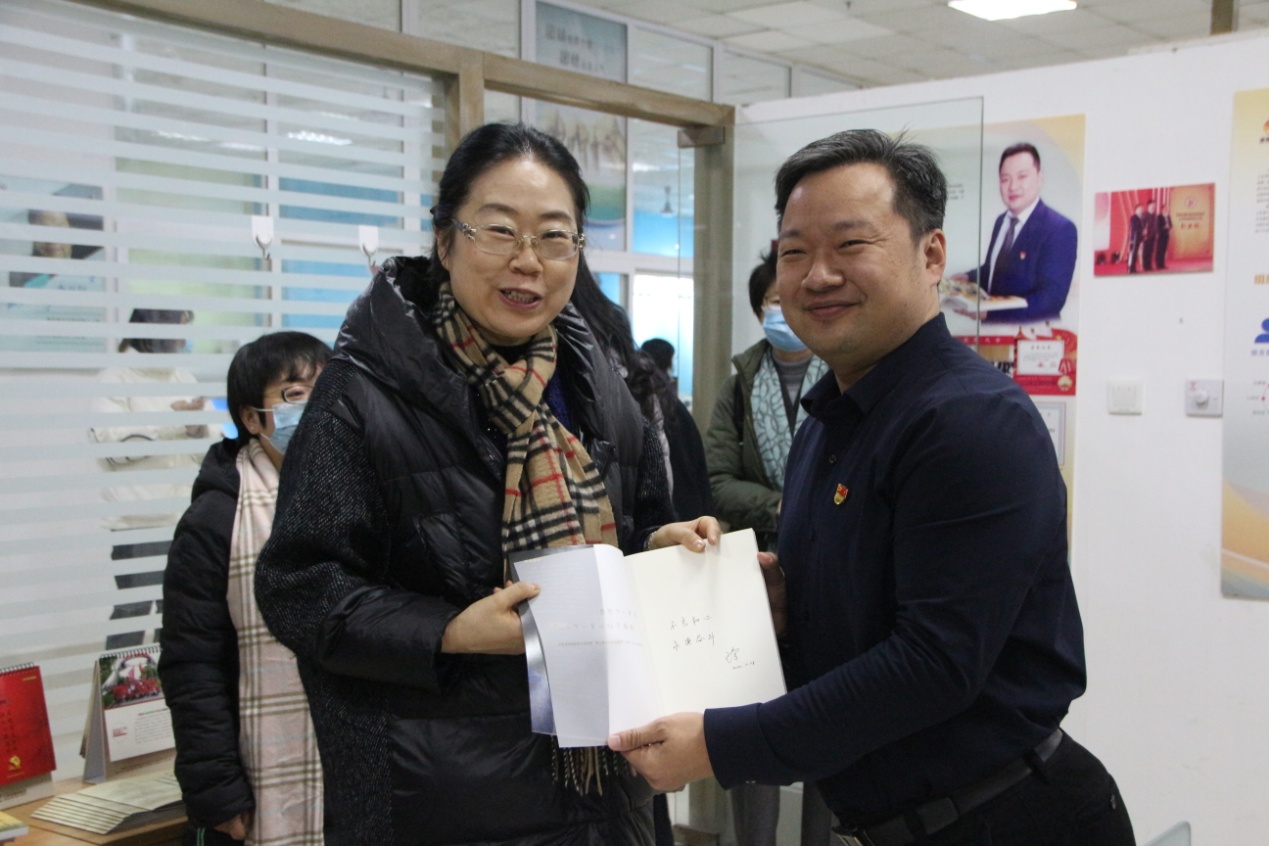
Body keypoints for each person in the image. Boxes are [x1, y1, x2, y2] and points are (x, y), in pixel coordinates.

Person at [609, 129, 1136, 846]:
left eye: (850, 244)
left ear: (932, 255)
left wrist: (719, 745)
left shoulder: (968, 420)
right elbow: (865, 622)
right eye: (794, 252)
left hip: (1008, 819)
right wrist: (768, 608)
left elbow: (932, 664)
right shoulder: (829, 424)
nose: (816, 275)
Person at [254, 122, 718, 846]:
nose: (527, 262)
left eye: (554, 237)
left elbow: (630, 532)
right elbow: (299, 588)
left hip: (606, 782)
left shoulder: (600, 385)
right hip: (437, 800)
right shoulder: (361, 395)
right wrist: (448, 632)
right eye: (499, 230)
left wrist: (659, 548)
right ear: (445, 241)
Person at [160, 331, 331, 846]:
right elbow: (193, 664)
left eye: (327, 390)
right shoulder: (215, 519)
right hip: (259, 780)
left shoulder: (361, 495)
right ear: (252, 419)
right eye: (295, 394)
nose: (315, 407)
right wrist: (216, 792)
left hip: (356, 762)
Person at [569, 259, 713, 846]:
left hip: (623, 641)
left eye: (552, 236)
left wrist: (656, 539)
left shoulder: (619, 390)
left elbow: (654, 510)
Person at [704, 251, 831, 846]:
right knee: (754, 713)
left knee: (830, 715)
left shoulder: (842, 374)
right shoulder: (740, 385)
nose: (783, 311)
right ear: (760, 310)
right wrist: (779, 505)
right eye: (772, 302)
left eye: (789, 298)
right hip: (754, 568)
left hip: (825, 564)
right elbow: (717, 480)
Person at [90, 308, 207, 649]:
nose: (184, 340)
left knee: (177, 612)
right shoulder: (116, 379)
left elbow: (207, 448)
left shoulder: (184, 378)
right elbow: (113, 449)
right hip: (139, 522)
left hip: (182, 518)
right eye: (179, 330)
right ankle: (119, 683)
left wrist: (197, 429)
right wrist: (172, 424)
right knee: (134, 610)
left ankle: (166, 682)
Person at [954, 142, 1077, 323]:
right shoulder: (1001, 221)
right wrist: (968, 278)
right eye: (1005, 179)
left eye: (1022, 176)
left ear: (1040, 178)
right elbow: (998, 271)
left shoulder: (1059, 228)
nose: (1012, 186)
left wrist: (991, 313)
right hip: (992, 333)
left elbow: (1051, 300)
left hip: (1031, 334)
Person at [1126, 203, 1146, 273]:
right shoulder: (1133, 217)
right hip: (1134, 238)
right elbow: (1134, 227)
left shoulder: (1141, 217)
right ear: (1136, 210)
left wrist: (1143, 232)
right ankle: (1130, 268)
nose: (1141, 210)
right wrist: (1142, 230)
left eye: (1142, 209)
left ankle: (1133, 268)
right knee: (1132, 253)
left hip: (1138, 238)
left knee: (1135, 254)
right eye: (1139, 209)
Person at [1140, 200, 1159, 272]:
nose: (1153, 207)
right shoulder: (1144, 215)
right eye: (1152, 205)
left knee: (1151, 251)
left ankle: (1149, 265)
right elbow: (1142, 225)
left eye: (1154, 205)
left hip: (1153, 235)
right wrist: (1143, 234)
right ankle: (1145, 266)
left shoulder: (1155, 215)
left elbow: (1156, 225)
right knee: (1146, 251)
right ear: (1148, 206)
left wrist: (1156, 233)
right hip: (1146, 236)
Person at [1154, 203, 1172, 270]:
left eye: (1167, 209)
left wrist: (1169, 226)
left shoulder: (1168, 216)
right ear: (1162, 210)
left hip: (1166, 235)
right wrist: (1164, 227)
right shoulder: (1159, 217)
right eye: (1165, 209)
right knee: (1159, 250)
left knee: (1164, 250)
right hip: (1161, 235)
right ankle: (1158, 265)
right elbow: (1157, 226)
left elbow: (1171, 225)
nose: (1166, 210)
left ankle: (1162, 264)